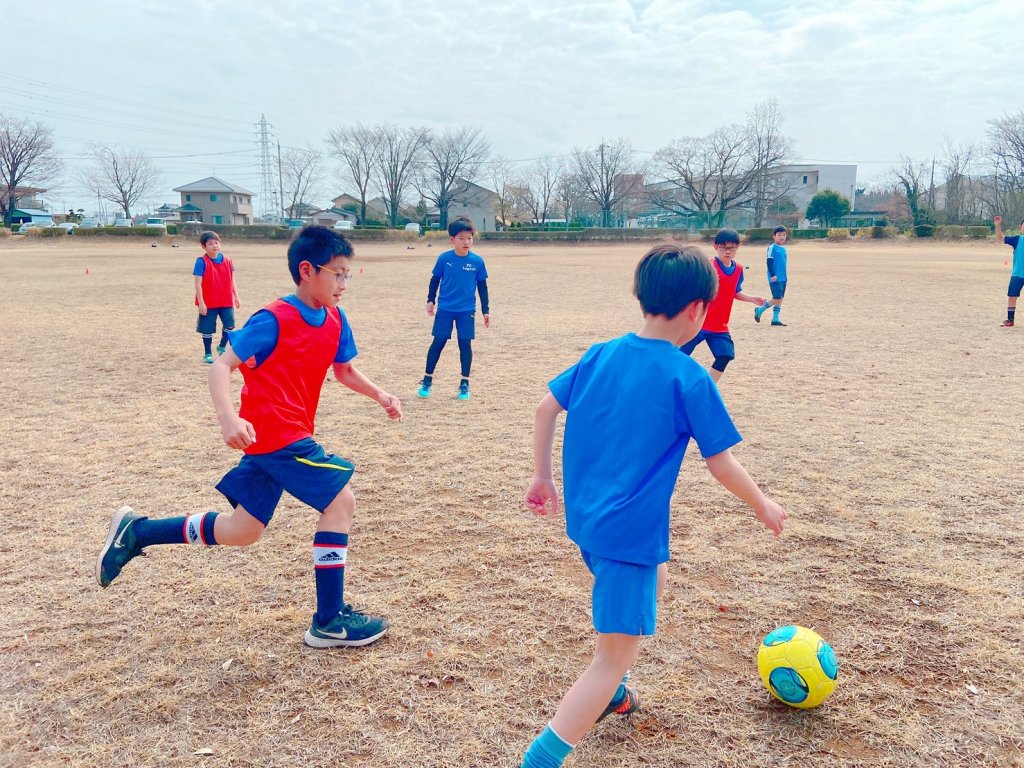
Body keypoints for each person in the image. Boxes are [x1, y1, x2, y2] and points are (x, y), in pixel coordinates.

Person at [519, 244, 787, 768]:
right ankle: (541, 758)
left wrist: (541, 477)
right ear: (697, 310)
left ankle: (614, 693)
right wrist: (762, 503)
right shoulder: (688, 376)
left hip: (589, 523)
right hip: (627, 537)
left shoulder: (600, 353)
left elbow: (543, 408)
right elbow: (721, 463)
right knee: (612, 654)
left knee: (654, 582)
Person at [97, 226, 403, 648]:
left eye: (349, 275)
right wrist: (228, 420)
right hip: (280, 437)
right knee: (341, 501)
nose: (344, 284)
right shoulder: (274, 319)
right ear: (307, 270)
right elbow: (221, 366)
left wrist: (381, 394)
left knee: (242, 531)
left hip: (274, 439)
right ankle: (329, 621)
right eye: (338, 274)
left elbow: (344, 370)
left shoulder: (335, 317)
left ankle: (138, 532)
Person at [680, 229, 767, 383]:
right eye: (723, 247)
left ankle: (708, 386)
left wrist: (751, 299)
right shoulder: (709, 266)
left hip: (719, 326)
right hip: (699, 323)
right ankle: (668, 384)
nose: (727, 251)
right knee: (678, 355)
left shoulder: (739, 269)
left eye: (732, 248)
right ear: (716, 247)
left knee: (725, 355)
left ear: (738, 247)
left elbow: (734, 291)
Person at [417, 216, 490, 401]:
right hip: (446, 309)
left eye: (469, 238)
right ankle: (427, 380)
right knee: (438, 342)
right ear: (452, 239)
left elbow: (482, 286)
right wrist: (430, 300)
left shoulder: (477, 261)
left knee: (464, 344)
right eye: (462, 238)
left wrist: (485, 310)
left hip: (467, 311)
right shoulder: (444, 259)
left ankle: (464, 384)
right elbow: (435, 280)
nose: (466, 242)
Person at [194, 230, 241, 364]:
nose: (214, 246)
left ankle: (221, 346)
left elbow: (232, 280)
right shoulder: (201, 261)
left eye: (216, 242)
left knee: (230, 325)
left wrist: (236, 297)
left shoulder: (227, 260)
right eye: (210, 243)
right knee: (207, 328)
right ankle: (207, 353)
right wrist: (201, 303)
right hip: (209, 302)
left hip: (226, 300)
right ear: (204, 246)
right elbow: (198, 284)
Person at [754, 226, 789, 327]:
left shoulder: (784, 249)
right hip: (775, 278)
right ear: (774, 236)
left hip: (783, 278)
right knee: (777, 298)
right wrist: (773, 274)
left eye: (784, 235)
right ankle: (759, 310)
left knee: (780, 298)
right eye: (779, 235)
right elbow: (769, 261)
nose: (782, 237)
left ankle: (775, 319)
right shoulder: (772, 248)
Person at [994, 215, 1024, 327]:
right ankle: (1010, 320)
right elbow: (1001, 238)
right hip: (1018, 274)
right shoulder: (1017, 240)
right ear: (1021, 227)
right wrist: (997, 225)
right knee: (1012, 296)